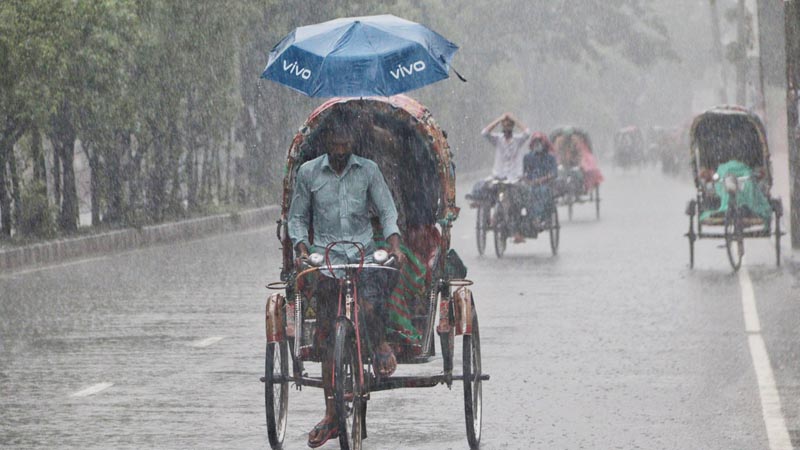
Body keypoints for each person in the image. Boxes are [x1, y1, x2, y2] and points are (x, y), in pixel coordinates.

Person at [287, 118, 406, 448]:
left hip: (362, 253)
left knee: (371, 300)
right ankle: (330, 413)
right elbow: (297, 217)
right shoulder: (309, 173)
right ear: (326, 142)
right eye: (335, 144)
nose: (340, 149)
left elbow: (387, 210)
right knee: (326, 335)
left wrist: (393, 244)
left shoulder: (368, 171)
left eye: (346, 144)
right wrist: (300, 248)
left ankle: (379, 343)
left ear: (353, 142)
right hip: (324, 257)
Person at [479, 113, 531, 242]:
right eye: (504, 127)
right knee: (490, 193)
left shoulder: (518, 141)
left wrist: (514, 119)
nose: (506, 129)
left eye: (509, 127)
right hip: (499, 176)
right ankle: (493, 218)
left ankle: (514, 227)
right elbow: (484, 133)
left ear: (512, 128)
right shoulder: (498, 140)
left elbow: (527, 132)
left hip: (514, 179)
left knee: (515, 202)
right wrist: (499, 119)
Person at [523, 133, 558, 228]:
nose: (537, 145)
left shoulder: (550, 158)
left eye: (540, 142)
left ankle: (540, 217)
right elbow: (523, 172)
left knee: (542, 192)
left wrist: (544, 179)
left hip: (545, 184)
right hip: (531, 184)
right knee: (525, 195)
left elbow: (554, 173)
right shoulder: (527, 157)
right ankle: (530, 218)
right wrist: (527, 180)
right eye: (535, 142)